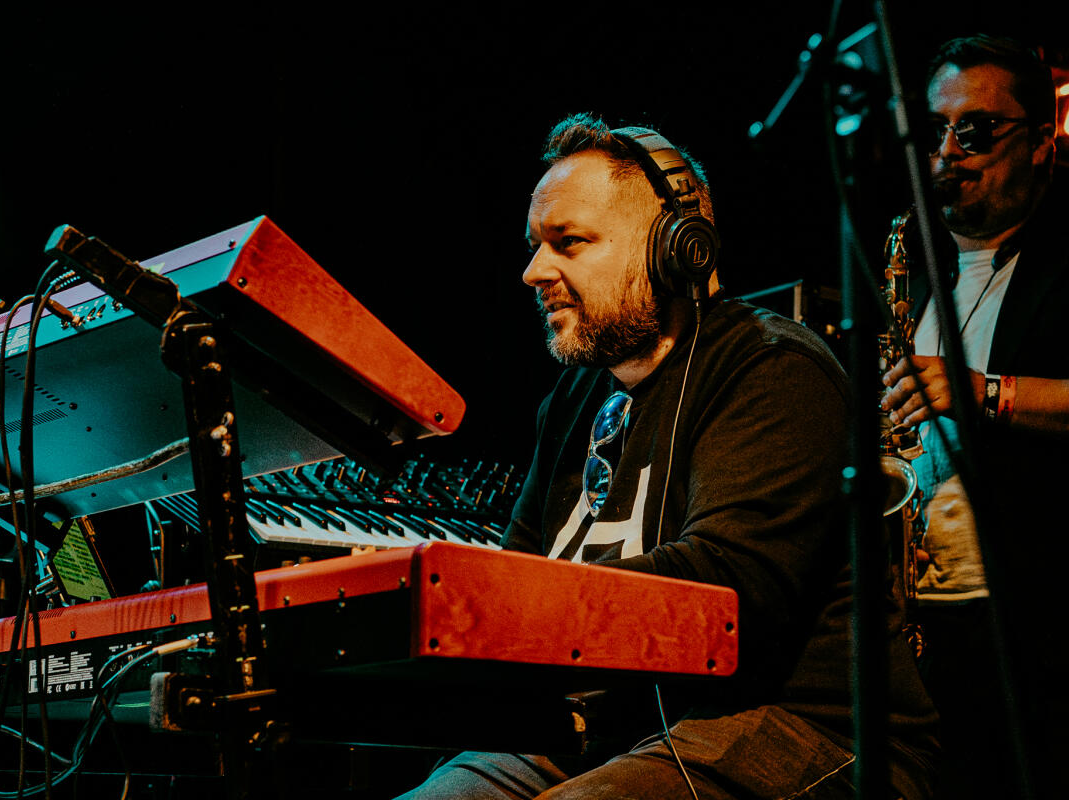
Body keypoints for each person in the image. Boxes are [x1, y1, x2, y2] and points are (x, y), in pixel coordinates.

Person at [397, 113, 939, 800]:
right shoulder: (573, 398)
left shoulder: (773, 370)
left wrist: (500, 603)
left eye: (568, 242)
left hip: (800, 728)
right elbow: (523, 569)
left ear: (675, 248)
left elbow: (726, 590)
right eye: (535, 246)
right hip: (601, 729)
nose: (534, 272)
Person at [880, 34, 1069, 799]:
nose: (948, 153)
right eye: (936, 130)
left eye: (978, 130)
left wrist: (984, 393)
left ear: (1041, 143)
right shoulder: (912, 263)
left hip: (1035, 626)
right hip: (922, 620)